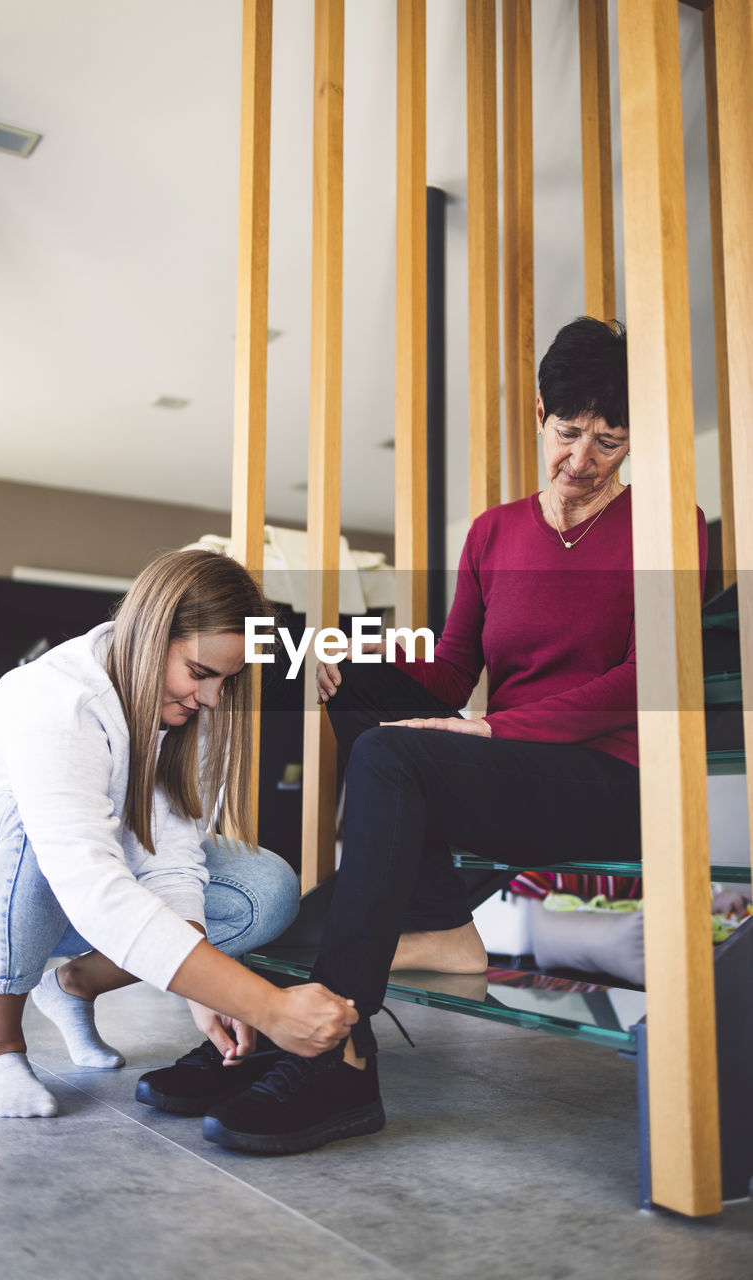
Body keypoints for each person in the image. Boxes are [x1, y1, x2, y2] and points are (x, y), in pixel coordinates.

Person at [139, 317, 709, 1155]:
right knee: (346, 678)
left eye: (609, 443)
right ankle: (293, 1013)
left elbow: (648, 681)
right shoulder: (495, 532)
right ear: (541, 411)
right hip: (508, 766)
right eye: (568, 434)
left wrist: (489, 726)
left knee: (389, 753)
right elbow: (450, 671)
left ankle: (336, 1052)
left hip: (608, 779)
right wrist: (366, 657)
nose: (583, 461)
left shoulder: (670, 524)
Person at [0, 549, 357, 1119]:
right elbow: (88, 878)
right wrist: (265, 1005)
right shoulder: (61, 700)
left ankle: (72, 985)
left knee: (263, 886)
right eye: (200, 673)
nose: (211, 697)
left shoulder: (182, 710)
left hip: (52, 890)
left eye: (225, 679)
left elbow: (171, 859)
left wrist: (205, 988)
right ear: (150, 635)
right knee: (34, 818)